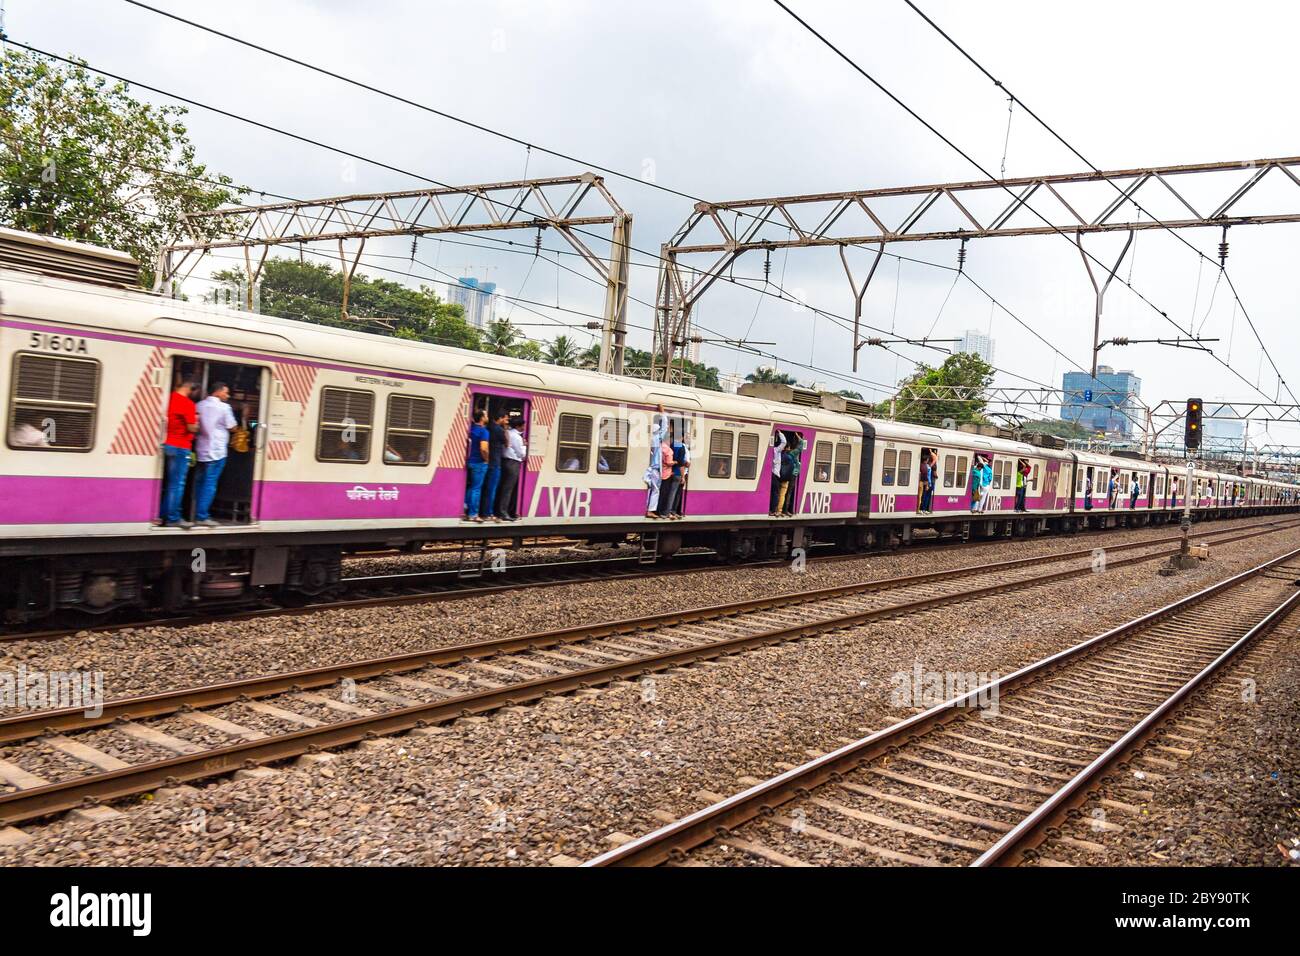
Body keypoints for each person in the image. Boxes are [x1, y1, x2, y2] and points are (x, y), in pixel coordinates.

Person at [193, 381, 238, 528]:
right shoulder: (224, 407)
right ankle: (202, 516)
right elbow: (232, 427)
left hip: (201, 450)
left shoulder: (199, 405)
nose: (227, 395)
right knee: (210, 483)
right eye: (226, 392)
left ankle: (195, 512)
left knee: (199, 482)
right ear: (217, 392)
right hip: (217, 451)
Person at [160, 379, 199, 529]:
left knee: (170, 484)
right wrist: (197, 425)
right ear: (191, 389)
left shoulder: (168, 398)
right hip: (181, 447)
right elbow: (191, 428)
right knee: (177, 484)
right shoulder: (187, 403)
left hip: (168, 444)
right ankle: (173, 518)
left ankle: (164, 515)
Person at [495, 416, 527, 520]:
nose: (524, 427)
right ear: (518, 426)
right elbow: (521, 454)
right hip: (513, 463)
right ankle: (504, 512)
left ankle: (499, 510)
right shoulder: (517, 437)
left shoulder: (508, 432)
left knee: (502, 487)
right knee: (508, 489)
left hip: (504, 462)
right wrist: (524, 446)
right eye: (523, 425)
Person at [480, 411, 509, 520]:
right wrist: (505, 428)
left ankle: (482, 511)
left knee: (484, 487)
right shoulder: (499, 430)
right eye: (505, 419)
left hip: (486, 461)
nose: (506, 421)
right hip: (496, 462)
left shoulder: (488, 427)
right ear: (500, 418)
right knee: (492, 488)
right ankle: (488, 513)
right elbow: (507, 444)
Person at [463, 409, 490, 522]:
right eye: (486, 415)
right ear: (482, 418)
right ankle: (473, 514)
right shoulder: (484, 431)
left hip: (471, 462)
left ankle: (465, 506)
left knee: (472, 487)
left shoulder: (472, 429)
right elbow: (483, 448)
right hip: (479, 463)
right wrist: (487, 459)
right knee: (477, 488)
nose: (487, 416)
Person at [644, 405, 668, 518]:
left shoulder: (649, 439)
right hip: (655, 468)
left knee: (650, 489)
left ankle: (647, 508)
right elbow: (665, 427)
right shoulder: (657, 438)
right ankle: (650, 510)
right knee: (656, 490)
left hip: (650, 468)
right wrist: (663, 413)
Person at [656, 426, 680, 518]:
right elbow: (668, 462)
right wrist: (675, 462)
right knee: (665, 494)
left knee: (659, 493)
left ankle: (657, 510)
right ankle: (662, 511)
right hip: (666, 474)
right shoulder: (668, 450)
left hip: (659, 472)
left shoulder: (660, 446)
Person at [782, 434, 805, 516]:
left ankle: (782, 509)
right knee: (789, 492)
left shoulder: (784, 453)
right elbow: (802, 444)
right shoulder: (793, 453)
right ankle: (786, 510)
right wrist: (796, 435)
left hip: (784, 473)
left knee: (783, 491)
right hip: (792, 474)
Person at [768, 431, 787, 516]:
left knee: (772, 492)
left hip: (771, 474)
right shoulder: (777, 451)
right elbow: (784, 442)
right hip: (775, 475)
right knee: (776, 494)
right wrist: (779, 432)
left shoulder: (771, 450)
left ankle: (771, 509)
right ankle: (773, 511)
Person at [919, 450, 933, 515]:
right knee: (924, 497)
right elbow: (926, 476)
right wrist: (928, 484)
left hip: (922, 482)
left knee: (922, 496)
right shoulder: (927, 467)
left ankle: (922, 509)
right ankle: (923, 509)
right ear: (927, 460)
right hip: (925, 483)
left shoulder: (921, 465)